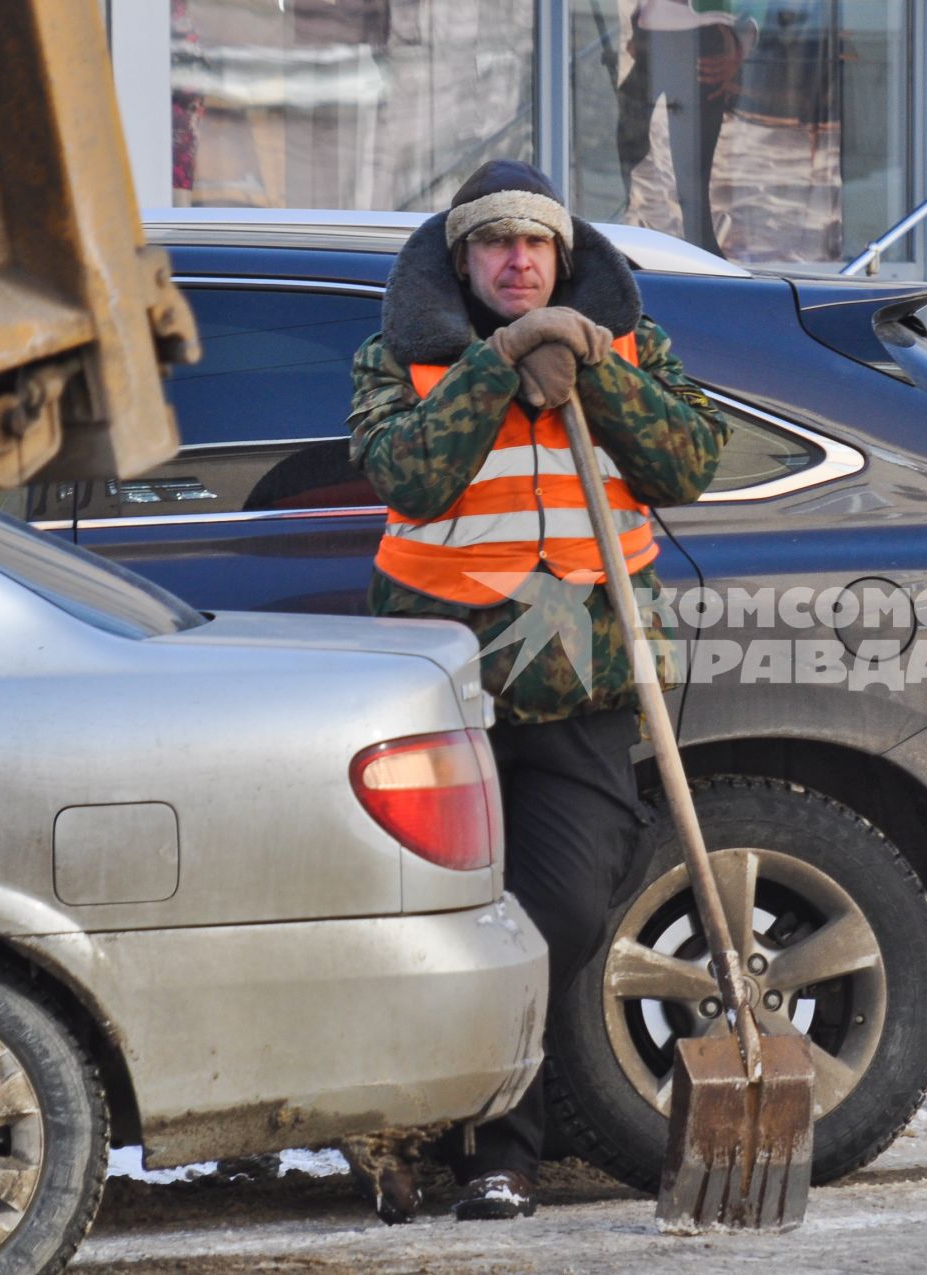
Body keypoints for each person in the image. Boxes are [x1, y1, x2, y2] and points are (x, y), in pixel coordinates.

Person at [347, 159, 728, 1220]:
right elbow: (408, 476)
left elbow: (690, 462)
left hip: (586, 688)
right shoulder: (401, 356)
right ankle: (492, 1155)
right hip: (440, 690)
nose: (518, 259)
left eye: (536, 243)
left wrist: (593, 370)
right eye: (494, 244)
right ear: (463, 260)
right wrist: (498, 365)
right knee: (440, 922)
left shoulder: (634, 347)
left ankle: (484, 1125)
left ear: (562, 255)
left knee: (552, 910)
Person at [614, 0, 761, 255]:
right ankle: (632, 238)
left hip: (704, 37)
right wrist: (637, 21)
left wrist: (743, 40)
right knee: (630, 145)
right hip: (653, 32)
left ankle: (702, 255)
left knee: (691, 168)